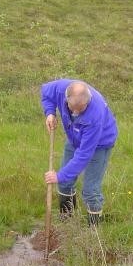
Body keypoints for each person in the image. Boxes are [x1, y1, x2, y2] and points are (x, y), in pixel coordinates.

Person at [41, 79, 118, 226]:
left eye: (81, 109)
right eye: (72, 108)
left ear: (88, 102)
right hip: (74, 138)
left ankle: (93, 233)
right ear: (66, 98)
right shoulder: (59, 88)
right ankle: (67, 224)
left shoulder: (95, 115)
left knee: (90, 190)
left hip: (100, 144)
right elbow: (46, 94)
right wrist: (50, 113)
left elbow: (84, 155)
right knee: (64, 184)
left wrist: (59, 175)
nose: (75, 113)